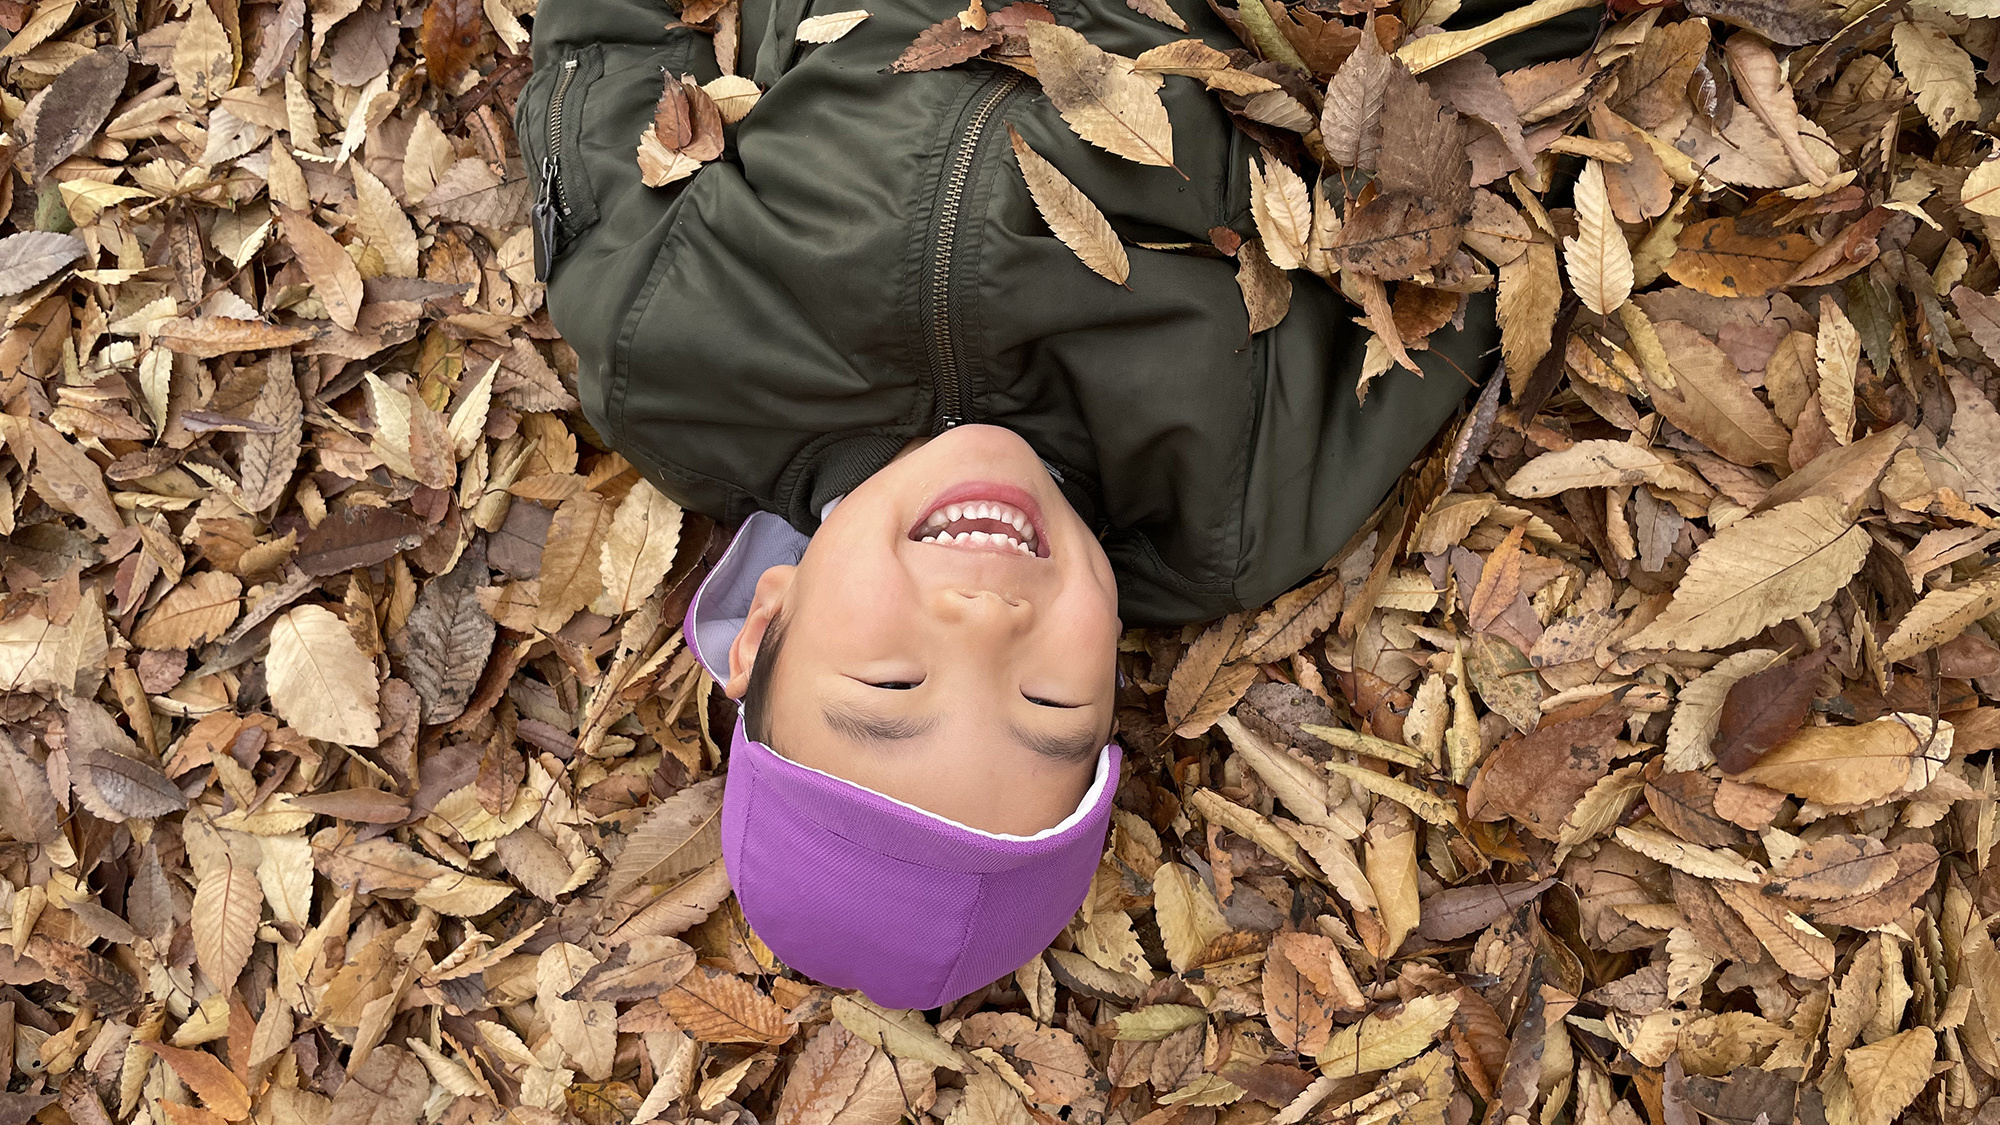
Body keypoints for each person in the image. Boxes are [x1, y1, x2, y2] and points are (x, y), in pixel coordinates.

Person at [518, 0, 1590, 1008]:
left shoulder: (669, 368)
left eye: (893, 680)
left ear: (763, 624)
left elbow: (606, 66)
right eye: (1045, 704)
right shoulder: (1239, 504)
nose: (987, 621)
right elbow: (1466, 214)